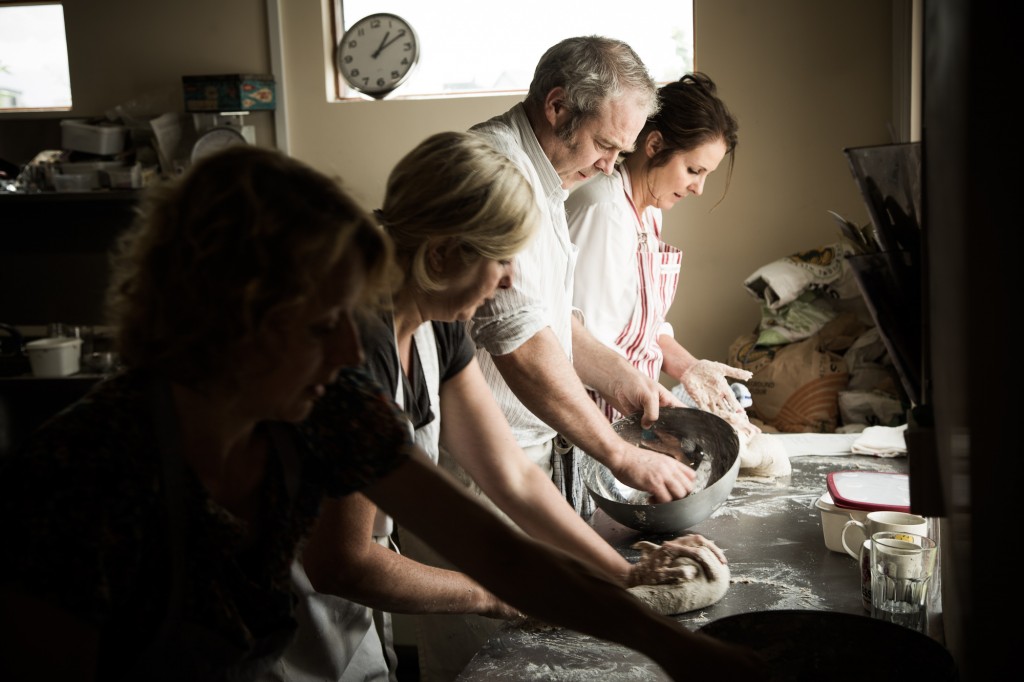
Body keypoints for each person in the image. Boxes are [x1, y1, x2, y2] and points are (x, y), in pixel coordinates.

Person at [0, 145, 761, 681]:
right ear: (234, 319)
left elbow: (495, 549)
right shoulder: (80, 475)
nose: (346, 352)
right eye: (320, 324)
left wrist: (678, 649)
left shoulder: (331, 407)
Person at [265, 131, 730, 682]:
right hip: (268, 625)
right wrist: (495, 596)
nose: (511, 280)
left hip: (339, 622)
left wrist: (621, 576)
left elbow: (510, 474)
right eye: (503, 259)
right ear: (440, 255)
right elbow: (343, 562)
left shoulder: (438, 325)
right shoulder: (354, 351)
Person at [467, 36, 696, 518]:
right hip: (479, 461)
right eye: (605, 145)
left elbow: (553, 321)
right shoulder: (497, 173)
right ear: (557, 106)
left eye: (621, 151)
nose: (611, 166)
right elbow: (521, 344)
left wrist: (622, 381)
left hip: (529, 449)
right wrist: (620, 455)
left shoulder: (550, 179)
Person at [565, 73, 758, 439]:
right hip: (593, 418)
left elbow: (643, 329)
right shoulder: (603, 209)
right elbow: (581, 344)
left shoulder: (649, 211)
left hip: (627, 411)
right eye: (693, 170)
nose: (699, 189)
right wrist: (671, 415)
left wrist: (689, 367)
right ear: (654, 145)